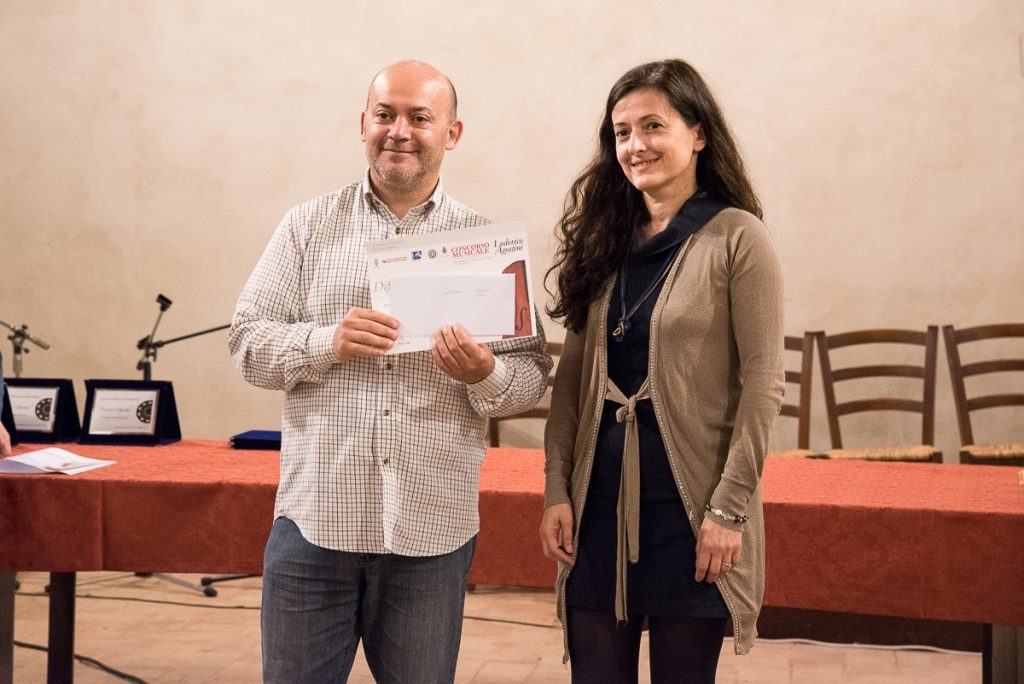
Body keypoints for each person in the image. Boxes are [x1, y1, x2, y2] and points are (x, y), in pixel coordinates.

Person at [229, 60, 552, 683]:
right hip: (315, 524)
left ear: (452, 133)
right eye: (385, 115)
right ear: (363, 124)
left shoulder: (487, 246)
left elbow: (532, 377)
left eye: (419, 117)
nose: (399, 131)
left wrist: (484, 372)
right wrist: (327, 341)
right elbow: (246, 344)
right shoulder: (306, 227)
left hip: (431, 532)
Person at [540, 59, 784, 683]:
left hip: (691, 511)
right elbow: (571, 384)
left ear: (698, 134)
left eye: (653, 125)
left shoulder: (738, 238)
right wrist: (556, 488)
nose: (635, 145)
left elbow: (764, 383)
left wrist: (729, 510)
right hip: (596, 507)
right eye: (621, 132)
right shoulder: (603, 239)